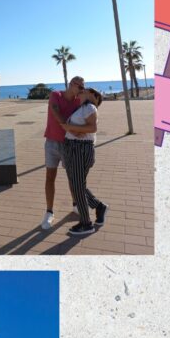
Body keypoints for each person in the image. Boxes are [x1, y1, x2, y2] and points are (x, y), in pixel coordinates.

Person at [57, 87, 109, 237]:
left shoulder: (90, 107)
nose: (79, 93)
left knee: (78, 186)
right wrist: (73, 129)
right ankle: (99, 206)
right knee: (77, 185)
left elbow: (92, 128)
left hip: (80, 149)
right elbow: (82, 128)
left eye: (83, 91)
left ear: (92, 94)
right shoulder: (82, 108)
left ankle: (86, 224)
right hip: (73, 148)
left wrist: (69, 127)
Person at [41, 75, 85, 230]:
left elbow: (88, 114)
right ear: (71, 84)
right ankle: (49, 212)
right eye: (79, 87)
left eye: (83, 88)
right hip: (52, 143)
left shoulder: (79, 101)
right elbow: (57, 115)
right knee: (50, 177)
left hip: (69, 144)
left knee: (72, 178)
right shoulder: (55, 95)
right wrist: (72, 128)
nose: (81, 90)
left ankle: (75, 205)